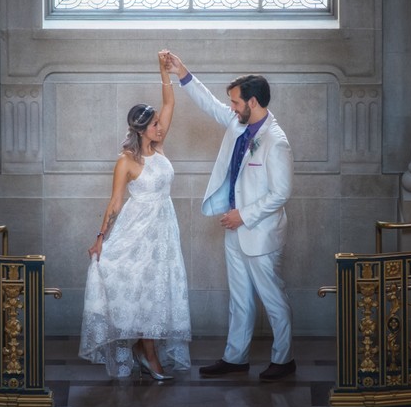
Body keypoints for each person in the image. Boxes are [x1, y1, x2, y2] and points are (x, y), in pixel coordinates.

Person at [164, 52, 295, 381]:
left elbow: (280, 194)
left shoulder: (276, 142)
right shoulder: (239, 124)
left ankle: (284, 359)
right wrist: (182, 72)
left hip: (260, 231)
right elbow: (208, 104)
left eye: (236, 102)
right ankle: (235, 358)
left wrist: (243, 216)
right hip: (233, 227)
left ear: (252, 102)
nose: (232, 108)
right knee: (239, 299)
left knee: (272, 299)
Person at [78, 51, 191, 381]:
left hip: (163, 231)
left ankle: (147, 351)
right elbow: (114, 203)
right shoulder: (126, 162)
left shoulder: (159, 147)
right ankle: (149, 354)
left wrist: (162, 71)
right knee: (141, 290)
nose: (161, 126)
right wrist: (100, 240)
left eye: (159, 123)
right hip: (136, 232)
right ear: (143, 130)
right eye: (155, 124)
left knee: (158, 290)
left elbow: (169, 104)